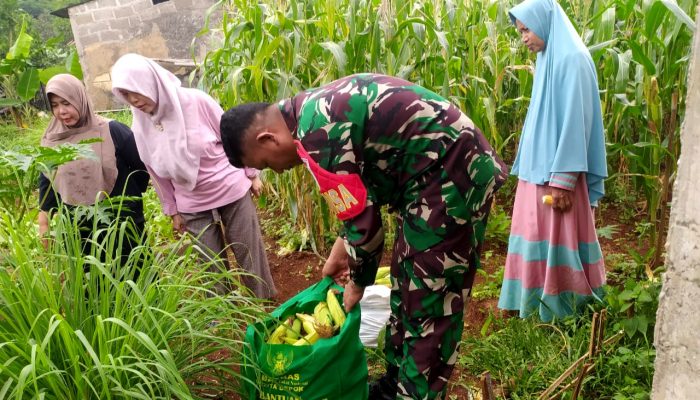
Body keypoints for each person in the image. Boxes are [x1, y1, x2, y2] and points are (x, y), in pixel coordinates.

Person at [219, 73, 507, 400]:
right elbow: (359, 201)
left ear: (267, 139)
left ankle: (415, 393)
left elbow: (367, 231)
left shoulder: (317, 133)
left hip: (451, 175)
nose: (278, 170)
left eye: (266, 164)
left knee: (429, 298)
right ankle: (394, 385)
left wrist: (357, 282)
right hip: (427, 179)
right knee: (406, 281)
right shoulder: (308, 115)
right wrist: (341, 249)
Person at [110, 53, 276, 299]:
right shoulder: (140, 124)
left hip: (229, 187)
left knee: (248, 251)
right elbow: (155, 171)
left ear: (152, 81)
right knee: (210, 266)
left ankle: (266, 304)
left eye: (136, 90)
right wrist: (173, 209)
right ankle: (223, 316)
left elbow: (231, 135)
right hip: (191, 202)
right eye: (125, 94)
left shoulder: (196, 102)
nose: (133, 100)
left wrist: (251, 174)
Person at [497, 0, 608, 322]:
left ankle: (563, 308)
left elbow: (576, 122)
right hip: (538, 170)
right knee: (533, 235)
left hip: (556, 175)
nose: (524, 38)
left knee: (555, 238)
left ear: (544, 22)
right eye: (520, 31)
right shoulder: (550, 57)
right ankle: (530, 303)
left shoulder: (572, 60)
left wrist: (564, 179)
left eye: (527, 29)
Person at [38, 73, 149, 265]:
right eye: (55, 105)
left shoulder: (111, 130)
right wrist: (44, 221)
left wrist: (129, 196)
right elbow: (48, 182)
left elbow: (141, 167)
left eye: (66, 103)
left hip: (121, 221)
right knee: (92, 280)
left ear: (79, 99)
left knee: (134, 273)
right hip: (78, 225)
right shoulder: (52, 140)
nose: (61, 111)